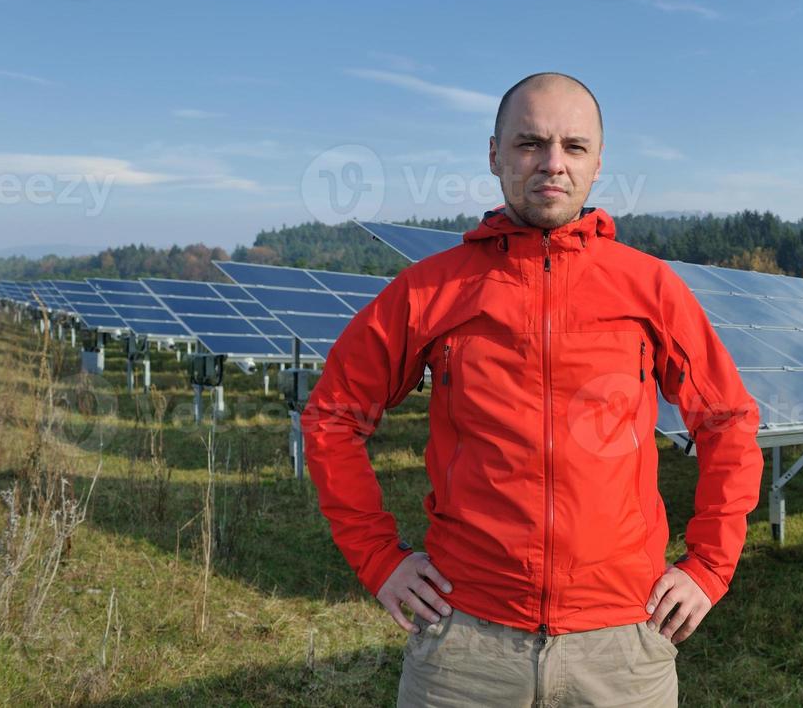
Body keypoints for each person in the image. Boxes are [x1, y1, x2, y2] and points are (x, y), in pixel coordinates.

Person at [303, 72, 764, 707]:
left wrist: (709, 567)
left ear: (598, 162)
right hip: (465, 647)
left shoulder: (649, 289)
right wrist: (379, 559)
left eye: (574, 147)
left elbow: (728, 421)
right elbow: (331, 418)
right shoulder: (430, 291)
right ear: (493, 154)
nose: (552, 164)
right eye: (529, 143)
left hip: (623, 644)